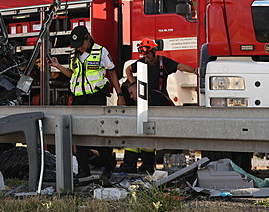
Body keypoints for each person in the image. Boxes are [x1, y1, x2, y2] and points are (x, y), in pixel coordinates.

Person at [48, 25, 124, 179]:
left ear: (88, 38)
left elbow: (112, 73)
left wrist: (120, 94)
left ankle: (109, 168)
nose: (79, 48)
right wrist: (58, 66)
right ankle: (84, 171)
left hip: (96, 97)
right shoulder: (74, 54)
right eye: (76, 46)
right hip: (78, 99)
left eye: (81, 45)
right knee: (80, 136)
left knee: (100, 134)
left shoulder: (101, 52)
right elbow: (73, 75)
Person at [117, 37, 196, 173]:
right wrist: (133, 85)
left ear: (154, 51)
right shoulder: (141, 63)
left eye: (148, 53)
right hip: (142, 102)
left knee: (150, 134)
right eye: (144, 54)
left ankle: (147, 165)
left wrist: (195, 71)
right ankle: (130, 164)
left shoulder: (163, 62)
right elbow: (128, 70)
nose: (146, 57)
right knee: (136, 131)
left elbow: (179, 67)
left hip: (158, 101)